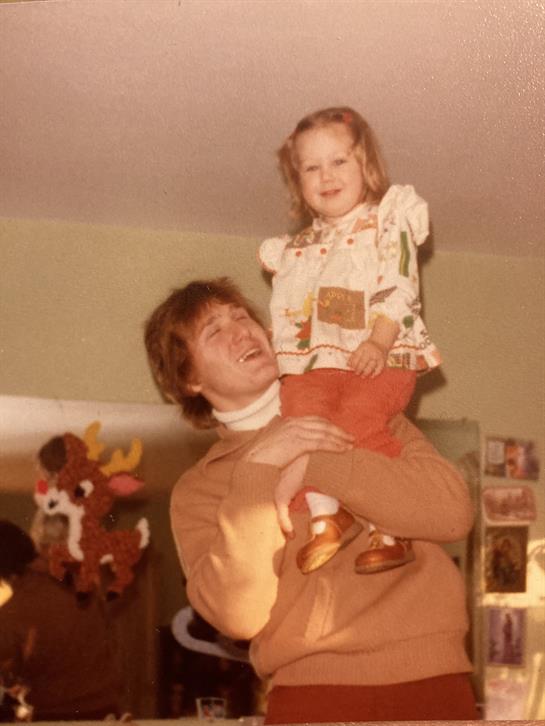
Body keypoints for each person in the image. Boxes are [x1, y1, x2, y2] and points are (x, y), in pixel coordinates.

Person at [144, 277, 478, 722]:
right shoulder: (200, 489)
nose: (241, 332)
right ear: (188, 378)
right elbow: (239, 616)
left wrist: (314, 459)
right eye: (215, 330)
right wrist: (259, 469)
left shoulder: (366, 407)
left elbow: (452, 514)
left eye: (241, 317)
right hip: (311, 694)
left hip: (435, 681)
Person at [259, 106, 441, 575]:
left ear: (367, 166)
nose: (326, 175)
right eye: (311, 167)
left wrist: (378, 341)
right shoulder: (298, 248)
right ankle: (327, 515)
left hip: (380, 352)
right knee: (303, 420)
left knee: (357, 423)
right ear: (297, 180)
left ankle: (389, 524)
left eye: (339, 161)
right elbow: (294, 311)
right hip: (318, 362)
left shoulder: (385, 222)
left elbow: (400, 285)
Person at [0, 518, 121, 721]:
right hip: (106, 712)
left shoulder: (14, 611)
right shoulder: (77, 581)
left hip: (56, 716)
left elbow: (8, 671)